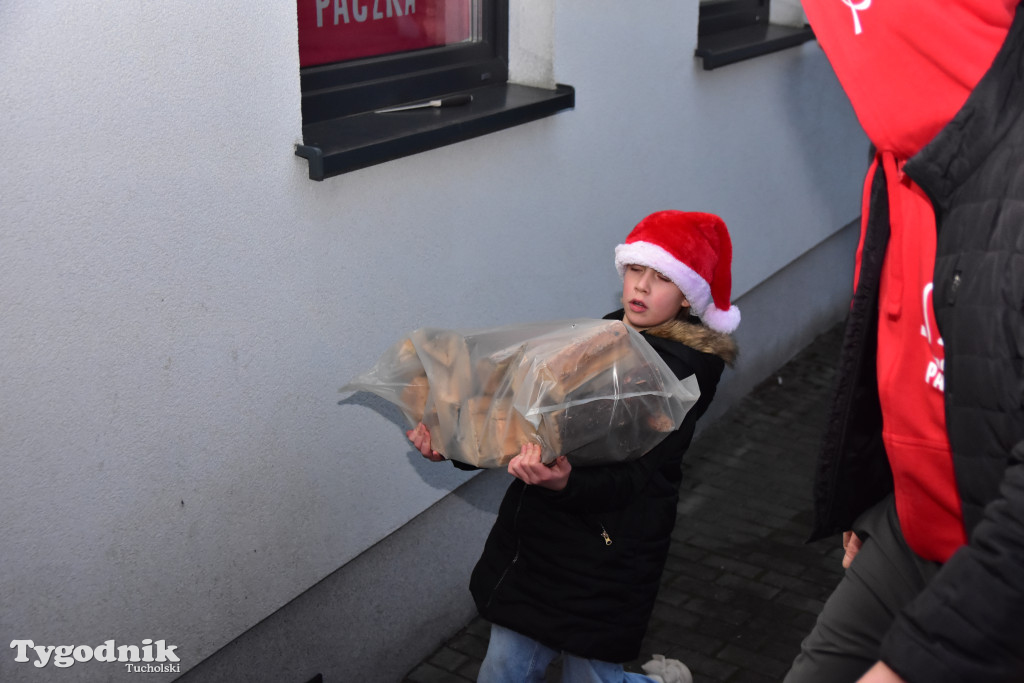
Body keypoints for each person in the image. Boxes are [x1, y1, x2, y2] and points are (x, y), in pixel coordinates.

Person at [784, 1, 1024, 682]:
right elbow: (897, 347)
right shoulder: (895, 152)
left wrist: (914, 661)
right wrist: (877, 494)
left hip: (996, 563)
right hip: (913, 527)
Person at [408, 210, 740, 683]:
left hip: (609, 552)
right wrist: (451, 443)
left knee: (591, 678)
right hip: (544, 540)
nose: (641, 287)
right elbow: (525, 415)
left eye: (661, 277)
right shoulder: (609, 331)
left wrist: (567, 482)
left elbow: (635, 476)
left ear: (687, 296)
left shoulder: (679, 374)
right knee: (504, 668)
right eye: (635, 270)